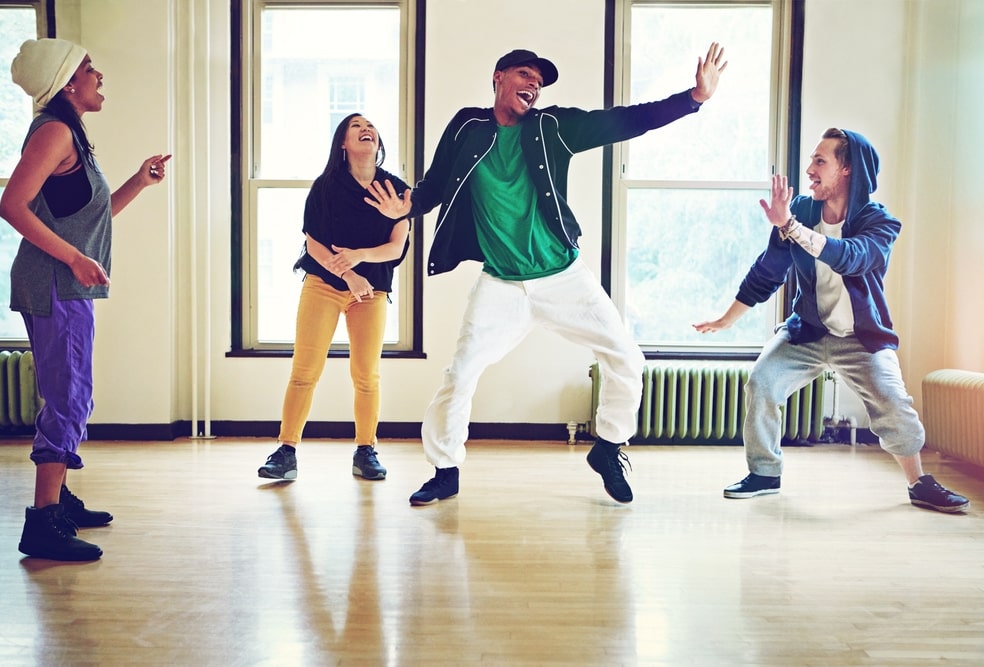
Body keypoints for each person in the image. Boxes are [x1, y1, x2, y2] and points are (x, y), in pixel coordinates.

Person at [366, 45, 727, 505]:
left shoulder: (551, 127)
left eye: (539, 81)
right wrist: (410, 206)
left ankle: (610, 446)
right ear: (498, 77)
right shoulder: (466, 126)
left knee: (626, 359)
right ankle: (445, 470)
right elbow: (436, 185)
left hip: (563, 277)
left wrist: (693, 98)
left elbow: (623, 121)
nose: (533, 86)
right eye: (524, 74)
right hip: (501, 283)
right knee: (460, 374)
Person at [693, 128, 969, 513]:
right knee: (761, 384)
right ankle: (764, 474)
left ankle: (919, 482)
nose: (809, 169)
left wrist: (789, 227)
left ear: (847, 170)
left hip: (862, 338)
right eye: (811, 160)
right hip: (807, 331)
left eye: (820, 161)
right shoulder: (803, 211)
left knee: (893, 402)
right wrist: (727, 319)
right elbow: (768, 271)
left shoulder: (879, 222)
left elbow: (850, 257)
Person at [0, 38, 171, 561]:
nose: (100, 77)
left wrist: (138, 183)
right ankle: (43, 523)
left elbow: (88, 221)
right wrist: (73, 260)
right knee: (69, 395)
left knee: (71, 389)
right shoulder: (54, 131)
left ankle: (61, 500)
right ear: (68, 83)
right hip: (55, 285)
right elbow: (12, 207)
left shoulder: (68, 132)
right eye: (91, 70)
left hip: (64, 283)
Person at [256, 113, 411, 483]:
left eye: (371, 125)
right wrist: (348, 273)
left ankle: (366, 450)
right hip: (324, 284)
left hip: (371, 291)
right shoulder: (326, 186)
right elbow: (314, 242)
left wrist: (359, 258)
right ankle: (285, 451)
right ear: (342, 142)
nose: (366, 129)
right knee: (304, 371)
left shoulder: (397, 189)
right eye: (356, 126)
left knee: (366, 375)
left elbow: (395, 248)